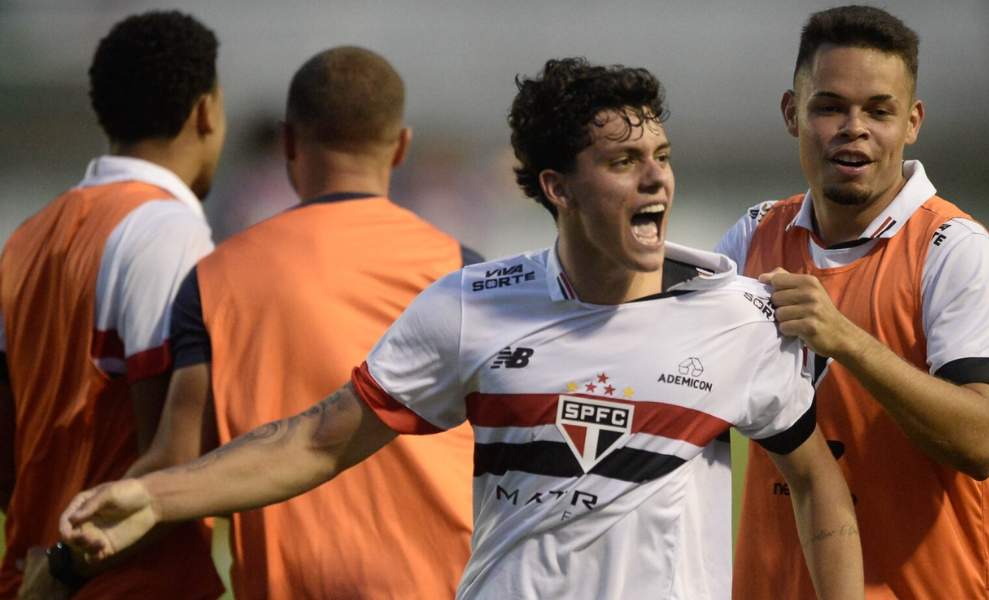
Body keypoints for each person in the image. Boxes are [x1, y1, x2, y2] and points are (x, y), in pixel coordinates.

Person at [60, 58, 864, 600]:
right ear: (559, 188)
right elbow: (314, 441)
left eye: (660, 154)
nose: (656, 175)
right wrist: (153, 494)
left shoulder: (745, 318)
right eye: (623, 161)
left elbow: (817, 482)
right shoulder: (470, 304)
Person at [128, 46, 479, 600]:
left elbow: (176, 464)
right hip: (448, 586)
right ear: (402, 146)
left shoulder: (214, 279)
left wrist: (65, 555)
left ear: (287, 141)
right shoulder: (468, 274)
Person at [715, 6, 989, 600]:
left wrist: (844, 338)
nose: (854, 127)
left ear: (912, 122)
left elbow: (982, 443)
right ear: (792, 114)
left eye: (879, 110)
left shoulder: (955, 249)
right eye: (829, 107)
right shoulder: (752, 235)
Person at [0, 10, 226, 600]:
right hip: (127, 581)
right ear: (206, 111)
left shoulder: (26, 238)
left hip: (31, 578)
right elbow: (175, 462)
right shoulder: (167, 229)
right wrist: (67, 562)